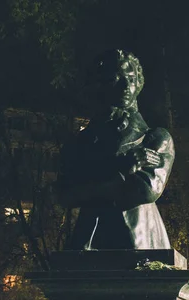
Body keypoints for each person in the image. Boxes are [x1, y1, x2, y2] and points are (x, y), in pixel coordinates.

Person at [59, 49, 174, 250]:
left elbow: (144, 191)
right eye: (115, 79)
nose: (125, 87)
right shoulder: (82, 141)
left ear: (139, 84)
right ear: (100, 85)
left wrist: (90, 184)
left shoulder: (155, 138)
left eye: (130, 79)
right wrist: (122, 167)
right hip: (87, 244)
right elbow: (65, 195)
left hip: (138, 241)